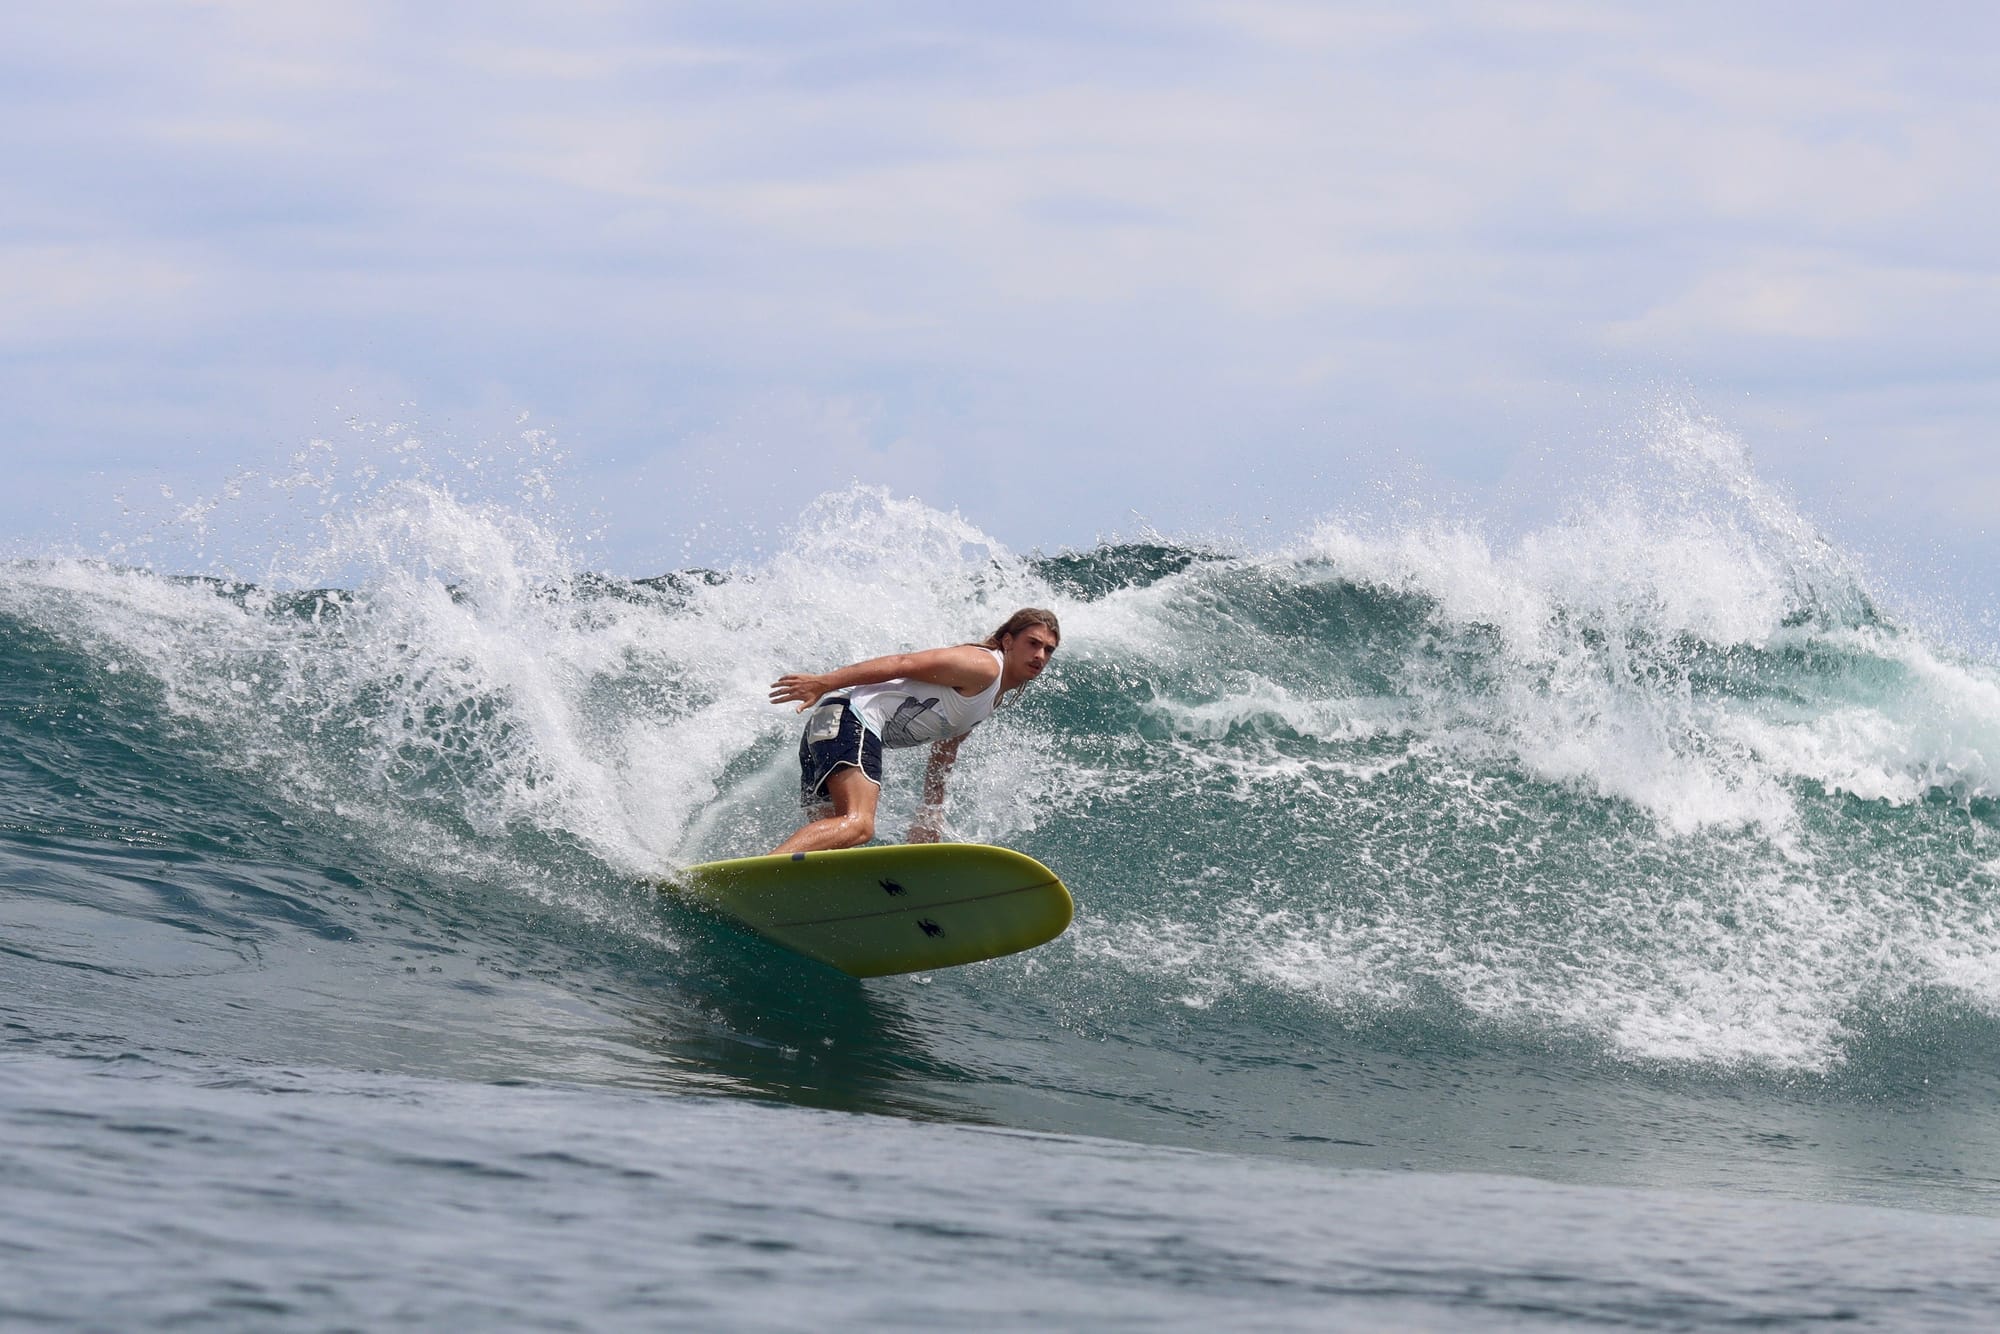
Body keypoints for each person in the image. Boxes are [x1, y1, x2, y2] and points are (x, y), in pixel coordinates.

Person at [767, 608, 1062, 855]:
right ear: (1008, 641)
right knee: (859, 824)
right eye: (1033, 643)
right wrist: (824, 682)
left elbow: (946, 748)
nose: (1040, 655)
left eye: (1048, 649)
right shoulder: (984, 666)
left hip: (827, 724)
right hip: (851, 717)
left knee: (831, 845)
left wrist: (930, 812)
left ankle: (771, 895)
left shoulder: (990, 697)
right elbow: (903, 663)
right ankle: (756, 876)